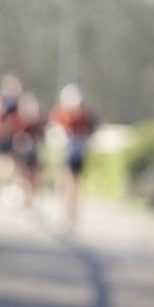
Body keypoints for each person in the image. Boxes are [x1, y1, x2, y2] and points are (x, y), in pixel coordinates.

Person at [48, 83, 97, 229]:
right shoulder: (60, 114)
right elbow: (53, 130)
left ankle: (72, 212)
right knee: (63, 181)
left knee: (73, 182)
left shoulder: (86, 117)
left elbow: (90, 132)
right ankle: (63, 211)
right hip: (63, 153)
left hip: (76, 155)